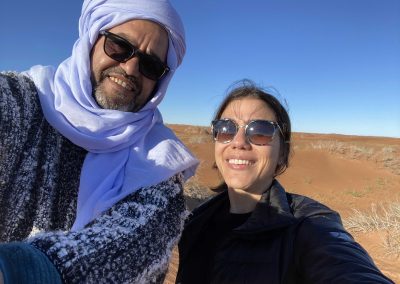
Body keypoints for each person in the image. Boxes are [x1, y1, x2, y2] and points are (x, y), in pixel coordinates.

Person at [0, 0, 199, 283]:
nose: (130, 69)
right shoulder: (22, 102)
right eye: (118, 46)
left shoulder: (160, 166)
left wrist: (24, 272)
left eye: (151, 65)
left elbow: (131, 246)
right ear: (92, 40)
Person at [176, 80, 394, 284]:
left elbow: (345, 264)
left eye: (260, 131)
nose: (238, 142)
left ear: (282, 152)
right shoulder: (196, 220)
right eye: (226, 128)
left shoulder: (307, 224)